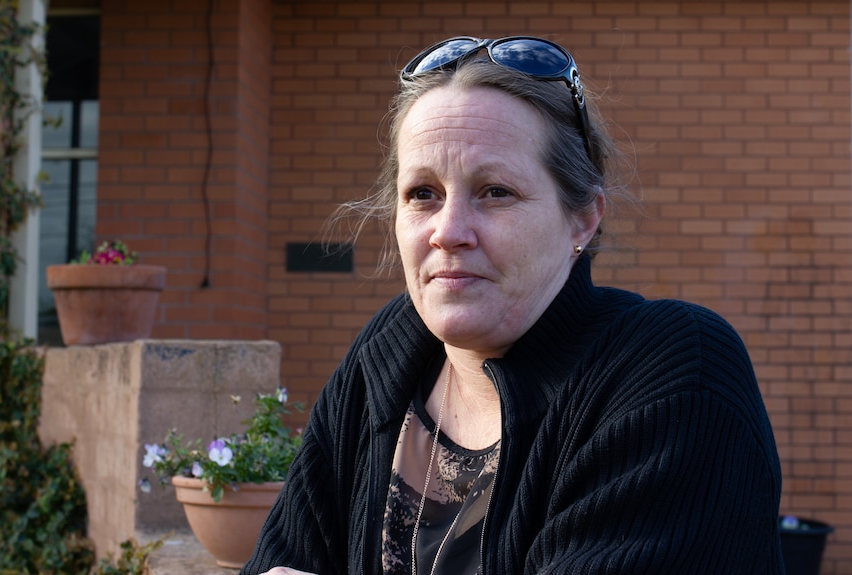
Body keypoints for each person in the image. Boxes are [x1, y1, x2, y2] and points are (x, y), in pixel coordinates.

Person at [242, 36, 784, 575]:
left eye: (496, 191)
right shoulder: (387, 356)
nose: (448, 232)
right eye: (422, 194)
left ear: (583, 217)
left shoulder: (676, 372)